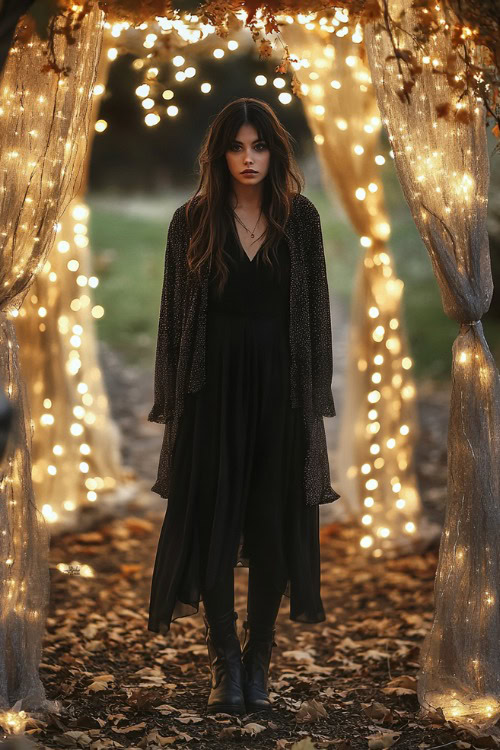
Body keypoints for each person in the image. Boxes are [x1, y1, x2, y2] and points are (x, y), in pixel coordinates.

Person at [147, 97, 340, 716]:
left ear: (274, 151)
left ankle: (259, 659)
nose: (248, 158)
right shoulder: (192, 220)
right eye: (237, 146)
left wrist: (311, 399)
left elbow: (316, 315)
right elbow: (173, 320)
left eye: (259, 146)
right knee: (213, 525)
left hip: (279, 393)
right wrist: (176, 398)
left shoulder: (300, 219)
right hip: (212, 392)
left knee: (271, 526)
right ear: (220, 153)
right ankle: (223, 660)